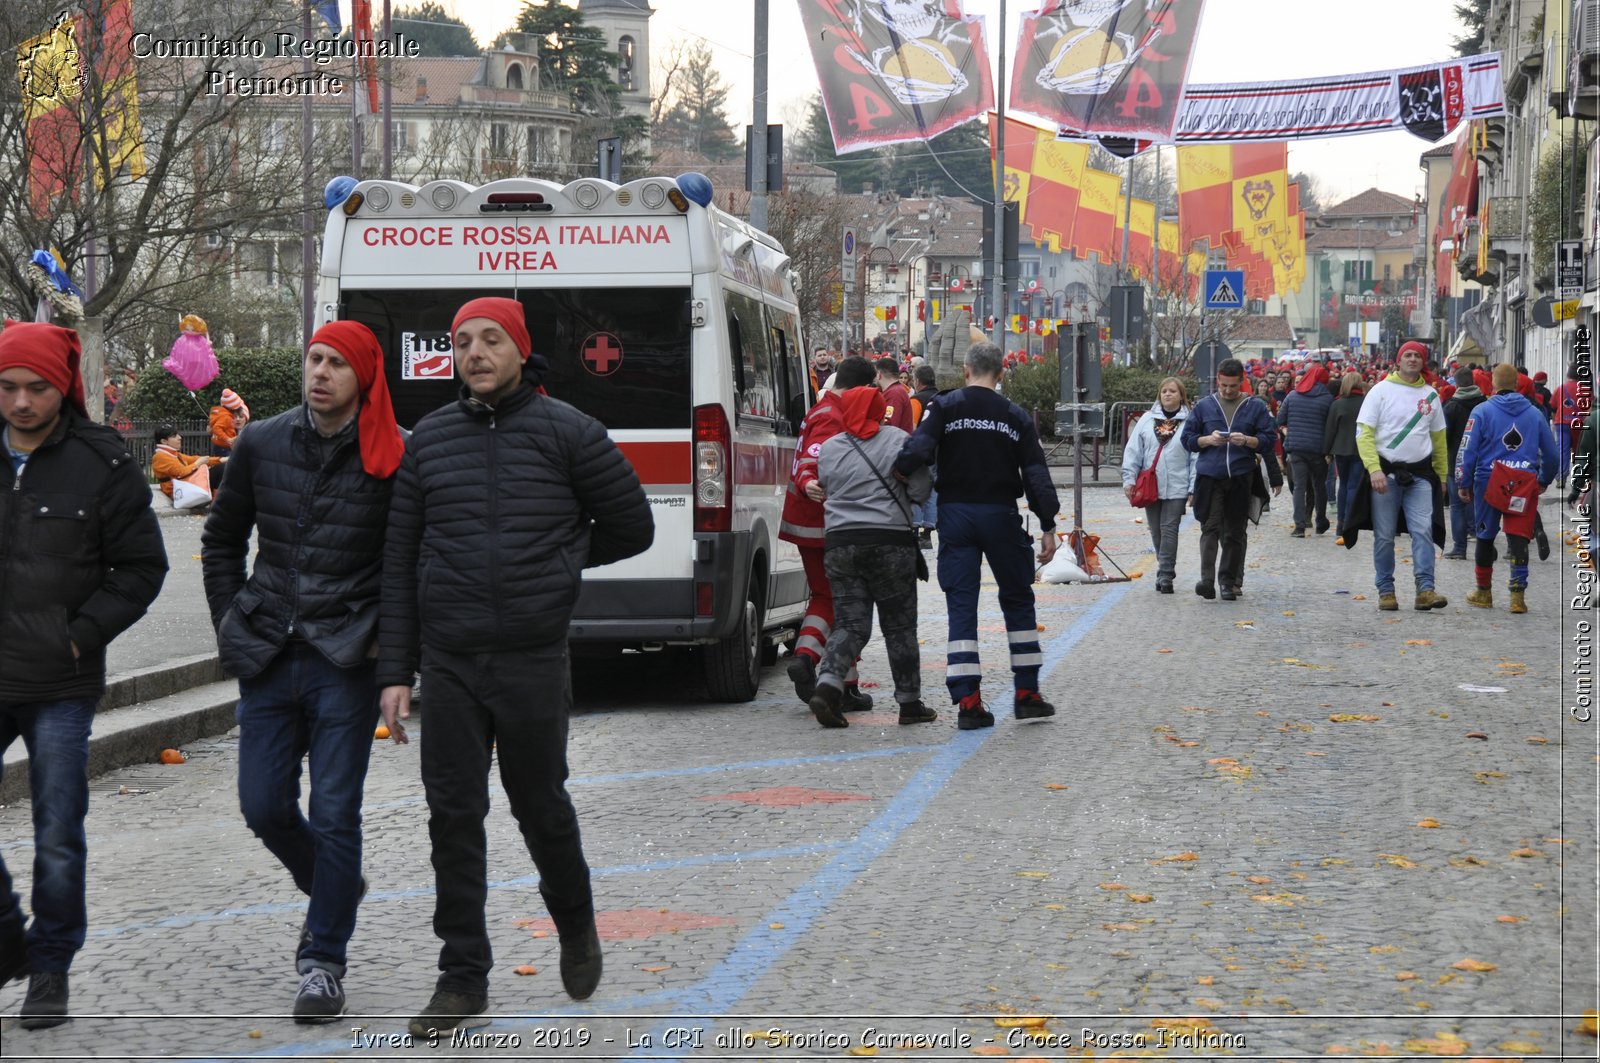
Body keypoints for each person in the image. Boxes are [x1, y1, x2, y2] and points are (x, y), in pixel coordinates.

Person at [376, 297, 653, 1036]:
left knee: (542, 809)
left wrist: (559, 561)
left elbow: (633, 524)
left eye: (489, 340)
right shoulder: (429, 442)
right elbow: (399, 562)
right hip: (452, 661)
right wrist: (395, 670)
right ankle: (461, 977)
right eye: (463, 341)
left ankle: (576, 922)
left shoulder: (571, 432)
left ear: (520, 351)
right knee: (453, 819)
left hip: (532, 658)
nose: (473, 352)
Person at [201, 321, 405, 1023]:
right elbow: (222, 538)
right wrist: (231, 619)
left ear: (363, 378)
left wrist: (394, 660)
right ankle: (334, 886)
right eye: (314, 359)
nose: (320, 373)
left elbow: (406, 569)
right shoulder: (262, 441)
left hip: (345, 658)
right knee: (262, 804)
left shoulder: (392, 457)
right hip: (267, 650)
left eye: (336, 364)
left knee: (335, 810)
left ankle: (322, 961)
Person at [0, 321, 167, 1029]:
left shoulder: (103, 462)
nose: (21, 401)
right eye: (7, 386)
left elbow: (141, 568)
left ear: (62, 386)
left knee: (59, 827)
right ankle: (8, 934)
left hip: (60, 682)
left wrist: (82, 637)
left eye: (36, 387)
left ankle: (50, 966)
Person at [893, 341, 1060, 730]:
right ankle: (1027, 695)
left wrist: (902, 468)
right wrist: (1048, 525)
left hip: (956, 515)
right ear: (1001, 374)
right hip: (1001, 515)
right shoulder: (1014, 415)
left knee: (962, 605)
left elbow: (917, 449)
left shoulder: (945, 407)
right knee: (1018, 601)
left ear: (966, 371)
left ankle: (968, 702)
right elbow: (1036, 474)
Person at [806, 384, 935, 728]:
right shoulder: (896, 441)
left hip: (841, 545)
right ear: (881, 409)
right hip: (890, 544)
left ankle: (828, 684)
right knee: (900, 627)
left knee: (849, 623)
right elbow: (921, 491)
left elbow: (826, 488)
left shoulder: (831, 449)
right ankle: (909, 704)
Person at [780, 356, 880, 711]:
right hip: (824, 521)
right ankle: (809, 660)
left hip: (813, 522)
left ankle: (837, 678)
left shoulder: (821, 408)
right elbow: (812, 458)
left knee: (833, 600)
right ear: (862, 388)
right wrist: (809, 482)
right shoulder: (833, 415)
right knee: (844, 602)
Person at [1455, 363, 1560, 613]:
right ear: (1517, 384)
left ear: (1493, 383)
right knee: (1519, 537)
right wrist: (1543, 479)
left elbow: (1467, 449)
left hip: (1488, 480)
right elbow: (1552, 454)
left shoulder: (1481, 411)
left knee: (1485, 535)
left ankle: (1483, 592)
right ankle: (1517, 597)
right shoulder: (1535, 413)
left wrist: (1463, 481)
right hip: (1522, 482)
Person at [1355, 340, 1449, 612]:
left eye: (1417, 356)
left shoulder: (1431, 395)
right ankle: (1386, 590)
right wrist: (1374, 469)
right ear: (1398, 360)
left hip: (1420, 476)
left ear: (1423, 362)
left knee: (1423, 531)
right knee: (1384, 536)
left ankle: (1425, 590)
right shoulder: (1380, 392)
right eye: (1407, 355)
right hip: (1386, 475)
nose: (1412, 359)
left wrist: (1442, 477)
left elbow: (1439, 440)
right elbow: (1364, 433)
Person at [1180, 358, 1279, 602]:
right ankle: (1206, 580)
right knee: (1210, 527)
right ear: (1218, 382)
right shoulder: (1204, 406)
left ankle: (1227, 581)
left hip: (1240, 476)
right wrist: (1207, 440)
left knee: (1235, 531)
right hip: (1209, 476)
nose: (1227, 390)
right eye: (1223, 385)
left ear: (1241, 383)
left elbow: (1268, 439)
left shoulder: (1254, 406)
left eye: (1232, 386)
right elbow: (1188, 439)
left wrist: (1246, 440)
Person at [1121, 377, 1196, 594]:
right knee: (1156, 531)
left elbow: (1195, 457)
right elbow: (1133, 451)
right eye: (1164, 391)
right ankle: (1164, 569)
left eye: (1172, 391)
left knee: (1169, 529)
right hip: (1150, 485)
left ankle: (1165, 575)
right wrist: (1129, 479)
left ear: (1181, 395)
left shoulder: (1190, 421)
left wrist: (1193, 487)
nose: (1168, 394)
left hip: (1177, 485)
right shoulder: (1146, 420)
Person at [1277, 363, 1334, 536]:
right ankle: (1320, 521)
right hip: (1318, 449)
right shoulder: (1327, 399)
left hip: (1296, 447)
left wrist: (1289, 430)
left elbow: (1280, 419)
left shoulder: (1293, 396)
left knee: (1299, 487)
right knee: (1319, 486)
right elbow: (1331, 427)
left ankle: (1299, 526)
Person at [1442, 367, 1487, 560]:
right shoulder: (1485, 404)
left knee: (1457, 505)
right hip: (1481, 461)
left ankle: (1460, 547)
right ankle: (1482, 542)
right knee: (1480, 503)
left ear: (1456, 383)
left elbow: (1444, 437)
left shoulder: (1451, 407)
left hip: (1456, 462)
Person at [909, 364, 940, 549]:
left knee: (917, 488)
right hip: (939, 450)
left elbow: (912, 427)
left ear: (917, 381)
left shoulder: (916, 400)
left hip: (921, 450)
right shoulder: (943, 398)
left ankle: (915, 529)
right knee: (933, 491)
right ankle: (928, 533)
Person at [150, 424, 222, 501]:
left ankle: (217, 501)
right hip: (179, 491)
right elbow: (181, 472)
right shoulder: (161, 456)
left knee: (222, 467)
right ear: (164, 441)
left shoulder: (172, 454)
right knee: (220, 469)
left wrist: (221, 459)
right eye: (174, 436)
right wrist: (198, 463)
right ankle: (217, 502)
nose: (180, 438)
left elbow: (193, 459)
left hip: (185, 486)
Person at [208, 387, 249, 490]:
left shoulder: (249, 433)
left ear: (247, 418)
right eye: (235, 417)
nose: (238, 419)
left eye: (241, 416)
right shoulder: (227, 425)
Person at [875, 356, 915, 433]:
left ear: (879, 374)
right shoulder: (896, 390)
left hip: (894, 443)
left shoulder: (894, 393)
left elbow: (889, 426)